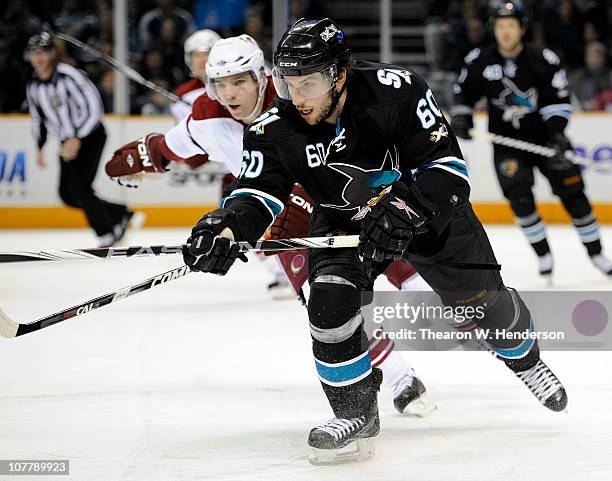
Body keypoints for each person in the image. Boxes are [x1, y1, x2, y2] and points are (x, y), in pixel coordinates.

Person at [179, 18, 568, 464]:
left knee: (484, 305)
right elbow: (255, 192)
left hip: (431, 216)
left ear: (339, 74)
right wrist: (226, 228)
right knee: (328, 308)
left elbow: (449, 172)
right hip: (343, 224)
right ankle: (355, 413)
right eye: (289, 85)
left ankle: (525, 360)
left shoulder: (396, 90)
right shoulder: (274, 126)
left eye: (309, 84)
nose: (298, 99)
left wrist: (403, 210)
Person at [105, 34, 435, 419]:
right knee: (326, 306)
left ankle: (496, 335)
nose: (230, 93)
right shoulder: (208, 117)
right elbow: (169, 148)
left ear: (261, 77)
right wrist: (138, 158)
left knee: (414, 281)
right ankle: (401, 380)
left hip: (340, 202)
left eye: (240, 81)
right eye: (220, 84)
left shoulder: (297, 101)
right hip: (279, 220)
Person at [450, 2, 612, 279]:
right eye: (501, 26)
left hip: (547, 141)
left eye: (511, 25)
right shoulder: (479, 59)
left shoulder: (544, 57)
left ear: (522, 29)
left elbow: (558, 99)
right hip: (507, 144)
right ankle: (543, 256)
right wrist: (462, 116)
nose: (506, 32)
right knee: (520, 199)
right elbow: (462, 92)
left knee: (575, 196)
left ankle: (597, 254)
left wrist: (558, 133)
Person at [25, 32, 134, 247]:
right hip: (66, 142)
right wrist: (39, 146)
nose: (38, 58)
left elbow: (94, 108)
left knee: (79, 187)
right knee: (66, 193)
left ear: (52, 54)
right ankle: (119, 213)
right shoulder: (34, 85)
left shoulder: (69, 76)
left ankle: (106, 233)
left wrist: (78, 137)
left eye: (43, 52)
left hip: (91, 135)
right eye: (34, 53)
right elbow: (38, 118)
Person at [171, 29, 221, 122]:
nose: (202, 60)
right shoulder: (183, 93)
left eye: (206, 54)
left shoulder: (230, 87)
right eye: (197, 55)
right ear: (189, 60)